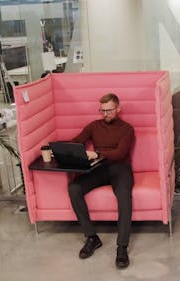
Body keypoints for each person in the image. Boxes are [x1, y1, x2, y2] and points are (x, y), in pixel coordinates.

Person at [68, 93, 135, 268]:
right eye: (102, 110)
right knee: (74, 188)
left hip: (120, 168)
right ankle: (92, 237)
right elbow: (76, 142)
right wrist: (63, 150)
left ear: (118, 109)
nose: (105, 114)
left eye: (109, 110)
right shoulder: (94, 126)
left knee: (124, 195)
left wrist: (97, 154)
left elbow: (120, 153)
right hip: (98, 168)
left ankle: (122, 247)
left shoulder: (127, 129)